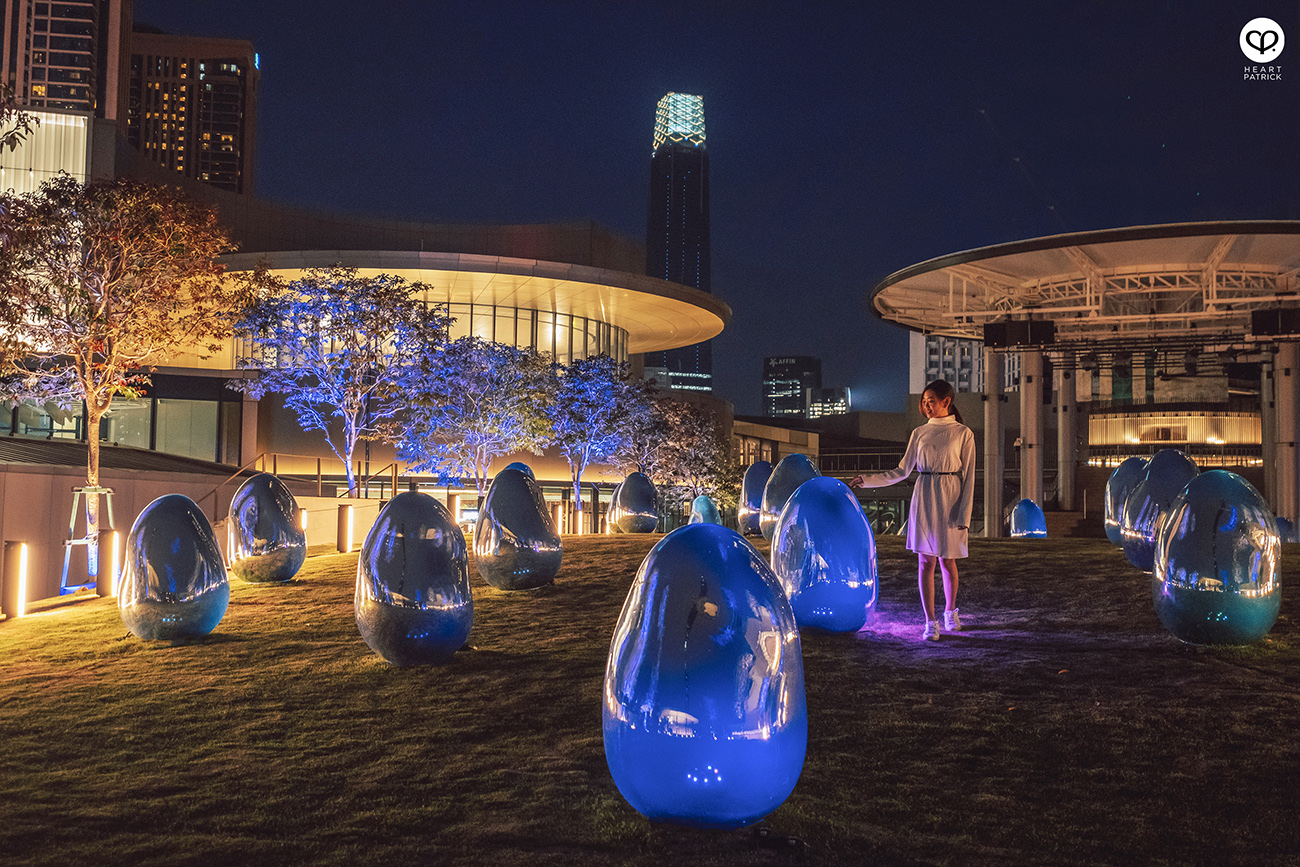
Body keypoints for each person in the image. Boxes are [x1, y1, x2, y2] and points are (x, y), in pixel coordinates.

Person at [850, 380, 975, 641]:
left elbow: (969, 476)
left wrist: (964, 513)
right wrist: (868, 480)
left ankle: (950, 612)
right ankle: (930, 622)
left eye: (932, 401)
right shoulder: (920, 433)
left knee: (948, 560)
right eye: (924, 401)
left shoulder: (963, 433)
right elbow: (902, 470)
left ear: (946, 402)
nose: (927, 406)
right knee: (925, 561)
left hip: (951, 495)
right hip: (925, 494)